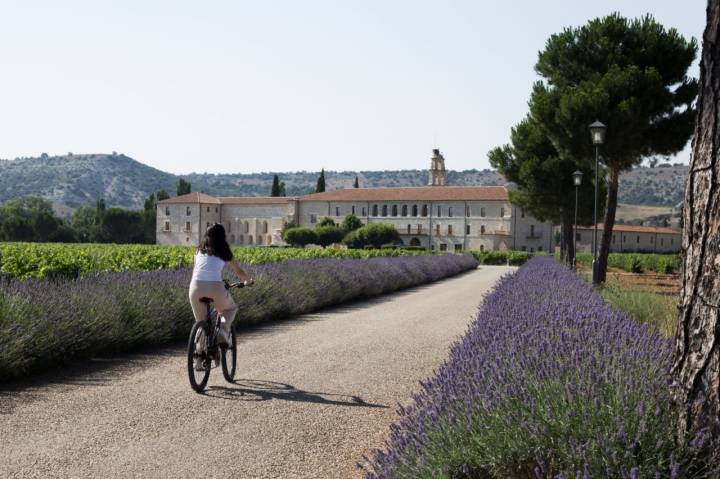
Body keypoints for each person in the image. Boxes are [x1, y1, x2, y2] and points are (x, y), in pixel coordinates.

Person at [189, 223, 253, 370]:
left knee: (200, 322)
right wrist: (248, 282)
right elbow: (239, 272)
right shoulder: (224, 251)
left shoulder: (198, 251)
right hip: (215, 287)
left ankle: (197, 360)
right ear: (222, 236)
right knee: (230, 309)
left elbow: (197, 270)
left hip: (195, 287)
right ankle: (223, 332)